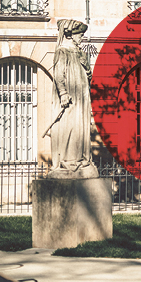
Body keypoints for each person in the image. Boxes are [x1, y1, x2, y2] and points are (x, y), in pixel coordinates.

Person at [48, 19, 99, 179]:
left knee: (80, 128)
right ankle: (68, 160)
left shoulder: (80, 53)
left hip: (82, 100)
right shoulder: (62, 52)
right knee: (69, 127)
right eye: (80, 35)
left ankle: (81, 160)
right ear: (70, 35)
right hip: (70, 99)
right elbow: (58, 75)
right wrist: (63, 93)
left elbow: (89, 77)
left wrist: (87, 69)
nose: (82, 38)